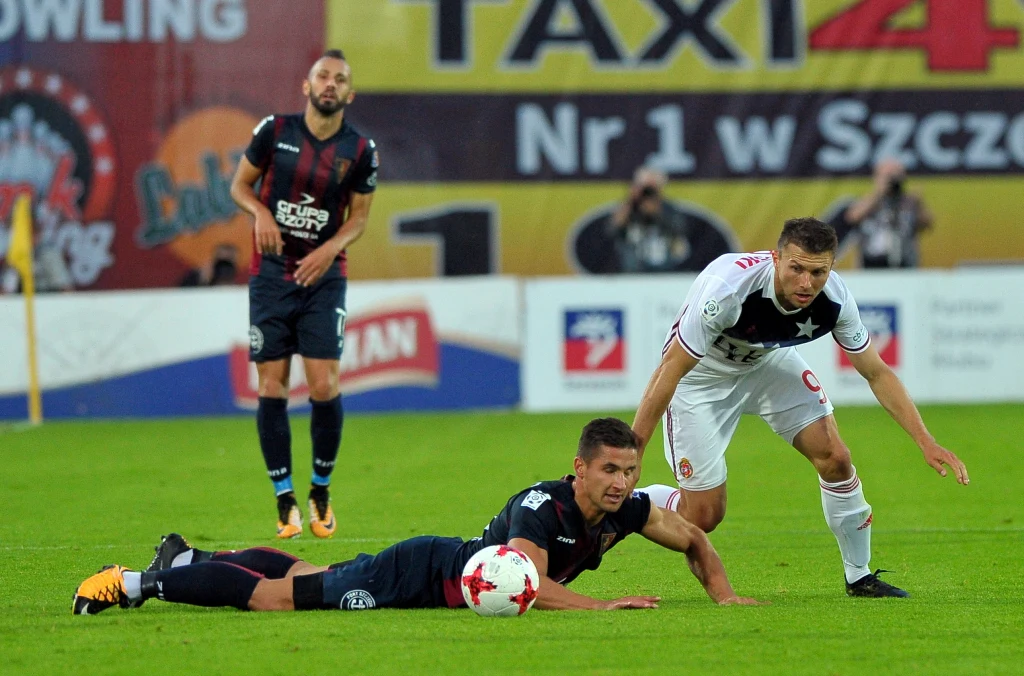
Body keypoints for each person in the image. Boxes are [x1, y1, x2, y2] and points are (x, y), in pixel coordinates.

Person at [72, 418, 761, 615]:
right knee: (282, 601)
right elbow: (528, 583)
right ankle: (135, 583)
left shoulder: (628, 511)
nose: (621, 483)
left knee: (315, 572)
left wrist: (724, 597)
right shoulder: (542, 507)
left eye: (629, 472)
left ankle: (186, 560)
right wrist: (601, 606)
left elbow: (695, 538)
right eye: (608, 470)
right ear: (578, 468)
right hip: (422, 574)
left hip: (435, 572)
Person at [630, 217, 969, 598]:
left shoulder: (836, 299)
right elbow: (669, 371)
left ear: (832, 267)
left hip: (767, 363)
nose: (806, 283)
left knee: (836, 457)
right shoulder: (728, 290)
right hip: (702, 378)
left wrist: (925, 440)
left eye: (818, 272)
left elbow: (876, 372)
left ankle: (859, 576)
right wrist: (633, 454)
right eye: (796, 268)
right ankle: (627, 500)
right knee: (703, 517)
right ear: (776, 258)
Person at [229, 49, 378, 539]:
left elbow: (358, 218)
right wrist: (262, 214)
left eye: (339, 79)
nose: (330, 83)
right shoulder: (275, 130)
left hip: (324, 276)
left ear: (349, 94)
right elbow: (239, 187)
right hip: (271, 274)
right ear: (306, 85)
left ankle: (320, 489)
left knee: (323, 386)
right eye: (322, 76)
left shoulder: (360, 150)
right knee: (271, 386)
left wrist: (329, 248)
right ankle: (284, 497)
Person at [604, 166, 731, 273]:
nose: (647, 192)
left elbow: (680, 232)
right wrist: (631, 200)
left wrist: (658, 212)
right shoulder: (628, 210)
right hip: (633, 273)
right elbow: (611, 231)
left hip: (666, 273)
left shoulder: (670, 210)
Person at [844, 158, 934, 269]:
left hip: (905, 261)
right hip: (871, 262)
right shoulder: (870, 201)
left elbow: (928, 224)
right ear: (877, 177)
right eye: (888, 175)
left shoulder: (909, 202)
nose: (893, 180)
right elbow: (852, 217)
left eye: (896, 175)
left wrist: (919, 204)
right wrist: (879, 193)